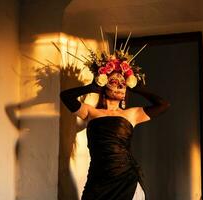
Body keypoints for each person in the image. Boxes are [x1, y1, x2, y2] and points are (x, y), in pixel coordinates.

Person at [60, 70, 170, 200]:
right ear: (105, 85)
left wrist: (137, 88)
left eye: (123, 83)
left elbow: (163, 105)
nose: (120, 86)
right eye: (114, 81)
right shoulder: (91, 112)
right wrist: (91, 87)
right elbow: (65, 96)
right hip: (98, 179)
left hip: (125, 178)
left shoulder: (132, 114)